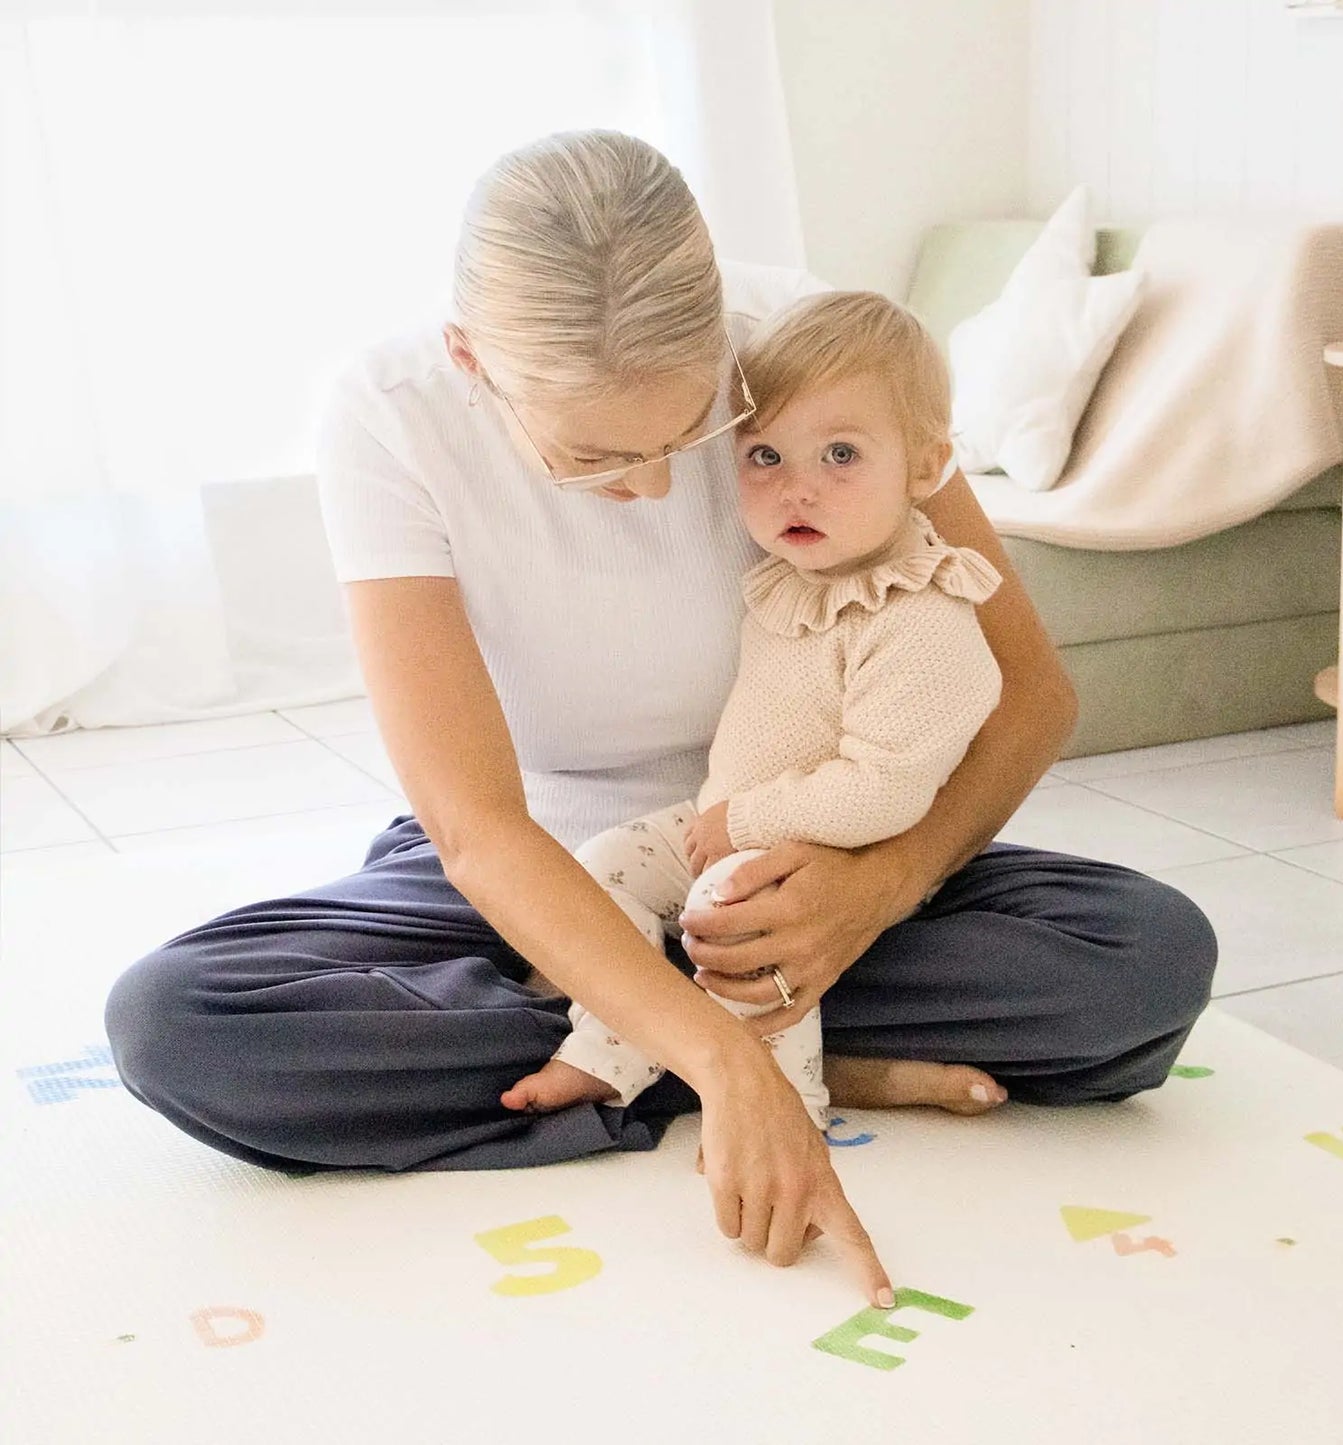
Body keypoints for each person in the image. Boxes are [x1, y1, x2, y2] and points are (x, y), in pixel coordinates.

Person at [103, 130, 1217, 1310]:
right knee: (181, 1025)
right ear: (470, 358)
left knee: (1142, 960)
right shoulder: (390, 416)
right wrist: (730, 1062)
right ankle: (781, 1056)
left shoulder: (815, 349)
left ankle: (636, 1048)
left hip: (802, 861)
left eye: (687, 438)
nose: (644, 488)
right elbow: (475, 829)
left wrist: (874, 889)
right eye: (589, 456)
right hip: (535, 872)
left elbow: (1029, 693)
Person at [504, 291, 1009, 1132]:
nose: (796, 489)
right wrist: (731, 822)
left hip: (846, 857)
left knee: (736, 912)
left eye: (840, 454)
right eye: (765, 455)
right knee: (600, 863)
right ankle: (611, 1050)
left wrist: (746, 820)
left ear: (925, 468)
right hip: (729, 828)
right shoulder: (792, 580)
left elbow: (884, 790)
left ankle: (785, 1103)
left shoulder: (919, 615)